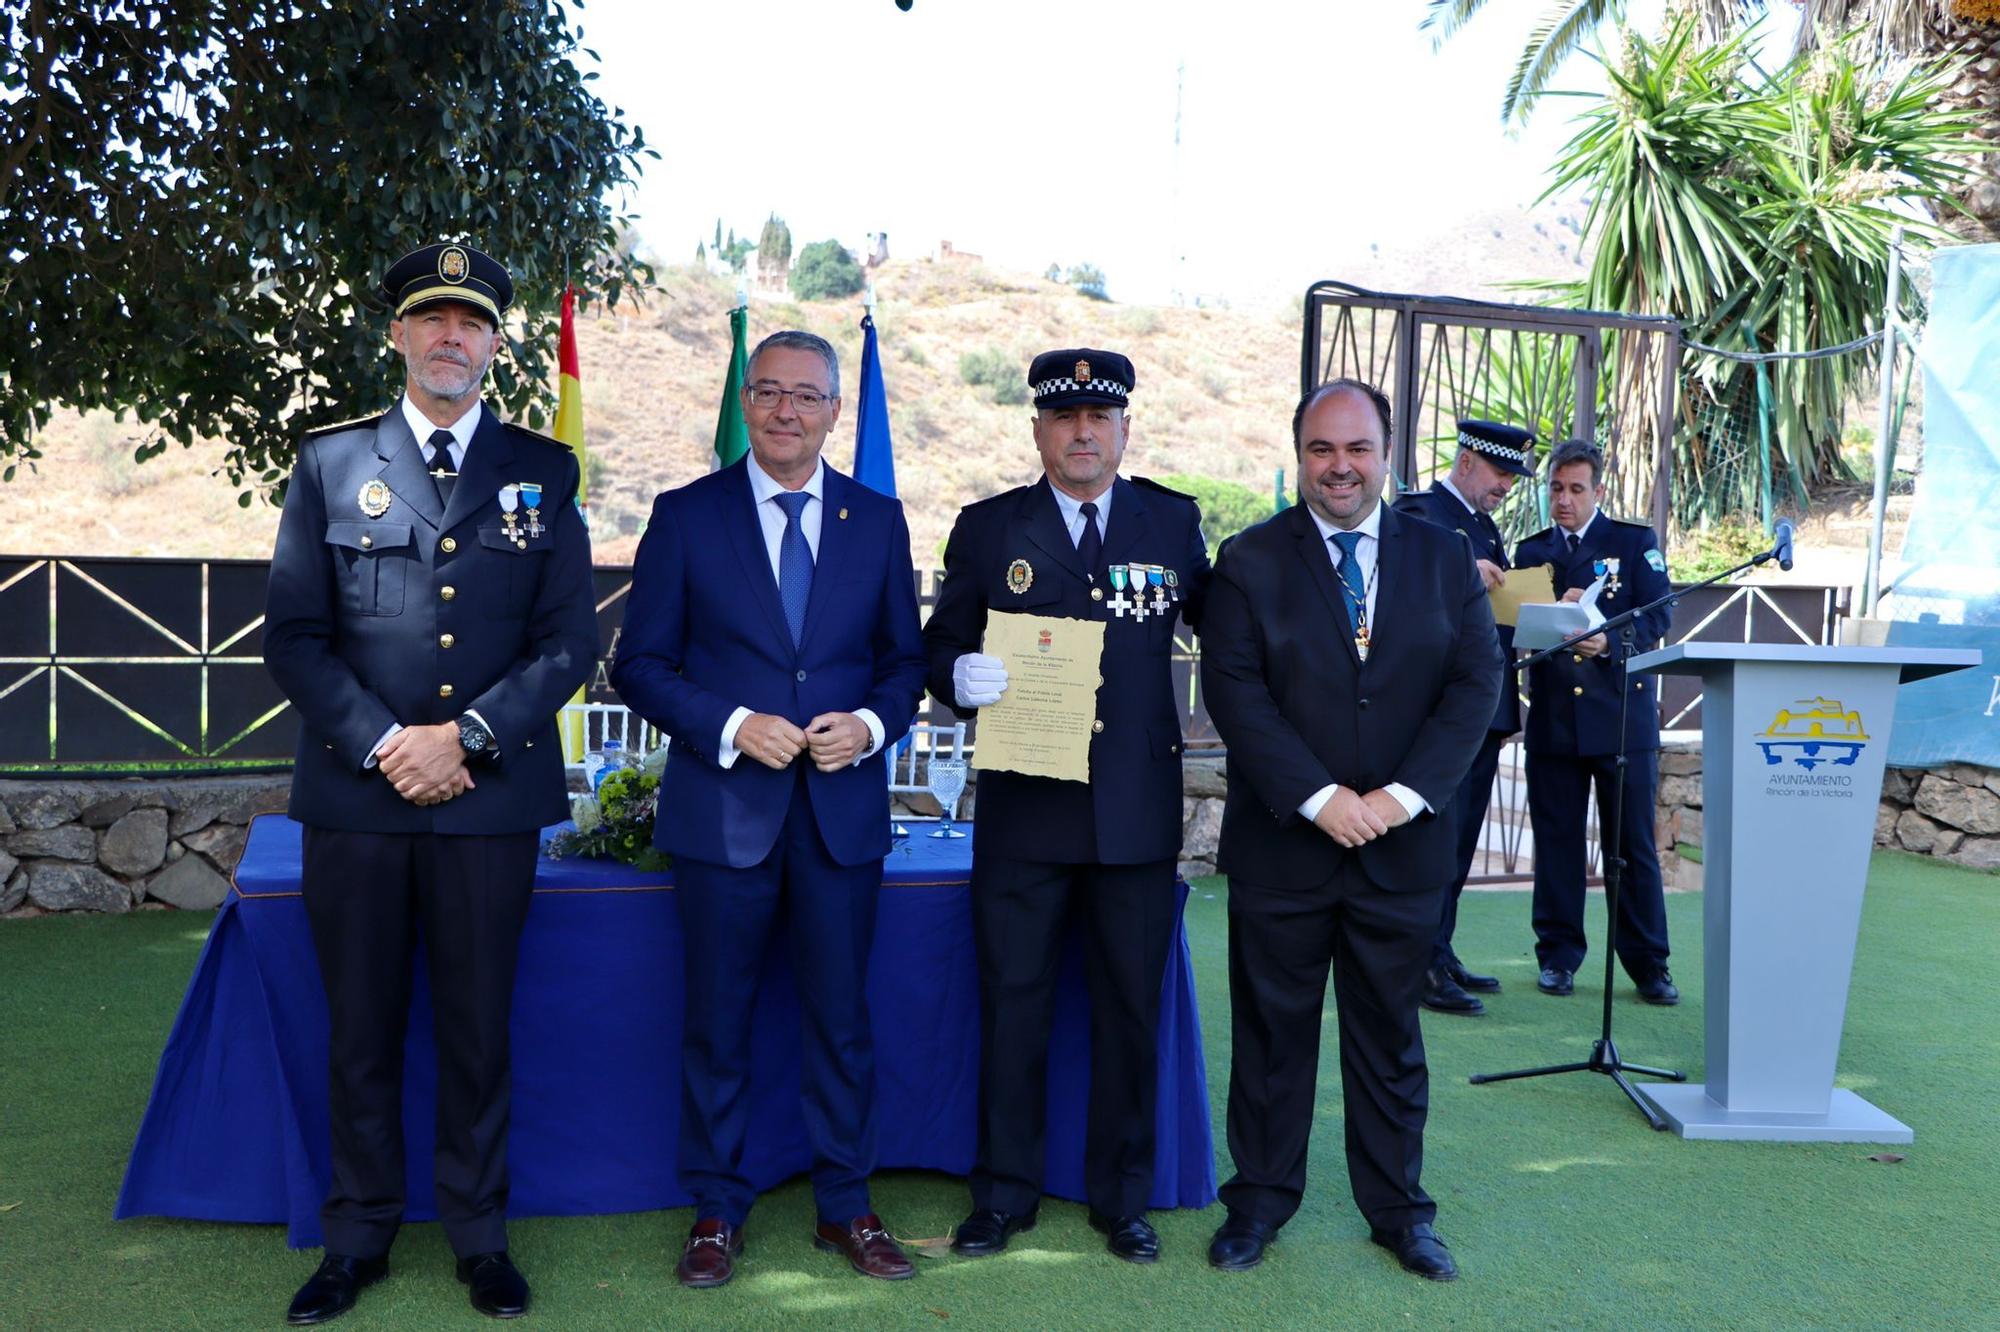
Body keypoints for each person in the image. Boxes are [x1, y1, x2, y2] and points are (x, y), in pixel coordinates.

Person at [263, 242, 597, 1324]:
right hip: (358, 800)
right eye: (431, 319)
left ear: (497, 345)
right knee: (358, 1028)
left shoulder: (541, 472)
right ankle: (355, 1238)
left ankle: (479, 1239)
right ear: (399, 336)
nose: (452, 338)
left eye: (472, 323)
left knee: (477, 1027)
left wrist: (469, 737)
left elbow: (565, 642)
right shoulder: (326, 465)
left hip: (487, 800)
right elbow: (296, 637)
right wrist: (387, 743)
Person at [610, 330, 927, 1290]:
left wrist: (870, 726)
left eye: (808, 397)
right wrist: (735, 722)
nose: (787, 411)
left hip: (840, 815)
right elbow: (640, 666)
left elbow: (904, 666)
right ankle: (716, 1209)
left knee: (841, 1022)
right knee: (718, 1021)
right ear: (746, 402)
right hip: (722, 817)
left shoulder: (878, 520)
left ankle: (848, 1207)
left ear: (836, 411)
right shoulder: (684, 516)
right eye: (770, 393)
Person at [1199, 379, 1500, 1281]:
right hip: (1284, 848)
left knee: (1391, 1041)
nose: (1341, 467)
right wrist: (1320, 798)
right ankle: (1256, 1205)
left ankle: (1400, 1213)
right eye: (1322, 450)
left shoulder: (1446, 559)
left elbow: (1472, 688)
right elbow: (1236, 694)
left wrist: (1401, 798)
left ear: (1387, 455)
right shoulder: (1248, 560)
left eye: (1358, 449)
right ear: (1300, 457)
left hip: (1401, 849)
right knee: (1270, 1039)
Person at [922, 348, 1210, 1264]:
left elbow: (1231, 632)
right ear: (1038, 429)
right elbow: (938, 650)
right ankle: (1003, 1196)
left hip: (1133, 814)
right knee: (1013, 1010)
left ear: (1125, 428)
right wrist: (957, 680)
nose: (1083, 433)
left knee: (1131, 1015)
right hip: (1026, 815)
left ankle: (1121, 1199)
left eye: (1099, 418)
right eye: (1064, 419)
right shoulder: (987, 527)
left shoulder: (1171, 522)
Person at [1512, 439, 1677, 1004]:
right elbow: (1515, 625)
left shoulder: (1633, 543)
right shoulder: (1532, 551)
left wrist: (1611, 640)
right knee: (1556, 844)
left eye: (1575, 489)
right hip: (1555, 721)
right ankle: (1557, 956)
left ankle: (1648, 963)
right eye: (1555, 488)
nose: (1563, 500)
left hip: (1621, 719)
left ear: (1598, 491)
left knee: (1630, 846)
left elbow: (1661, 612)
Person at [1391, 419, 1536, 1016]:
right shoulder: (1419, 514)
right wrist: (1459, 572)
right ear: (1468, 459)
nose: (1506, 485)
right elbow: (1395, 592)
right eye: (1501, 472)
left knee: (1459, 843)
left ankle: (1439, 949)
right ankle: (1418, 964)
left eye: (1512, 477)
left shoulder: (1482, 526)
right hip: (1437, 709)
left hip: (1485, 706)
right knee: (1433, 840)